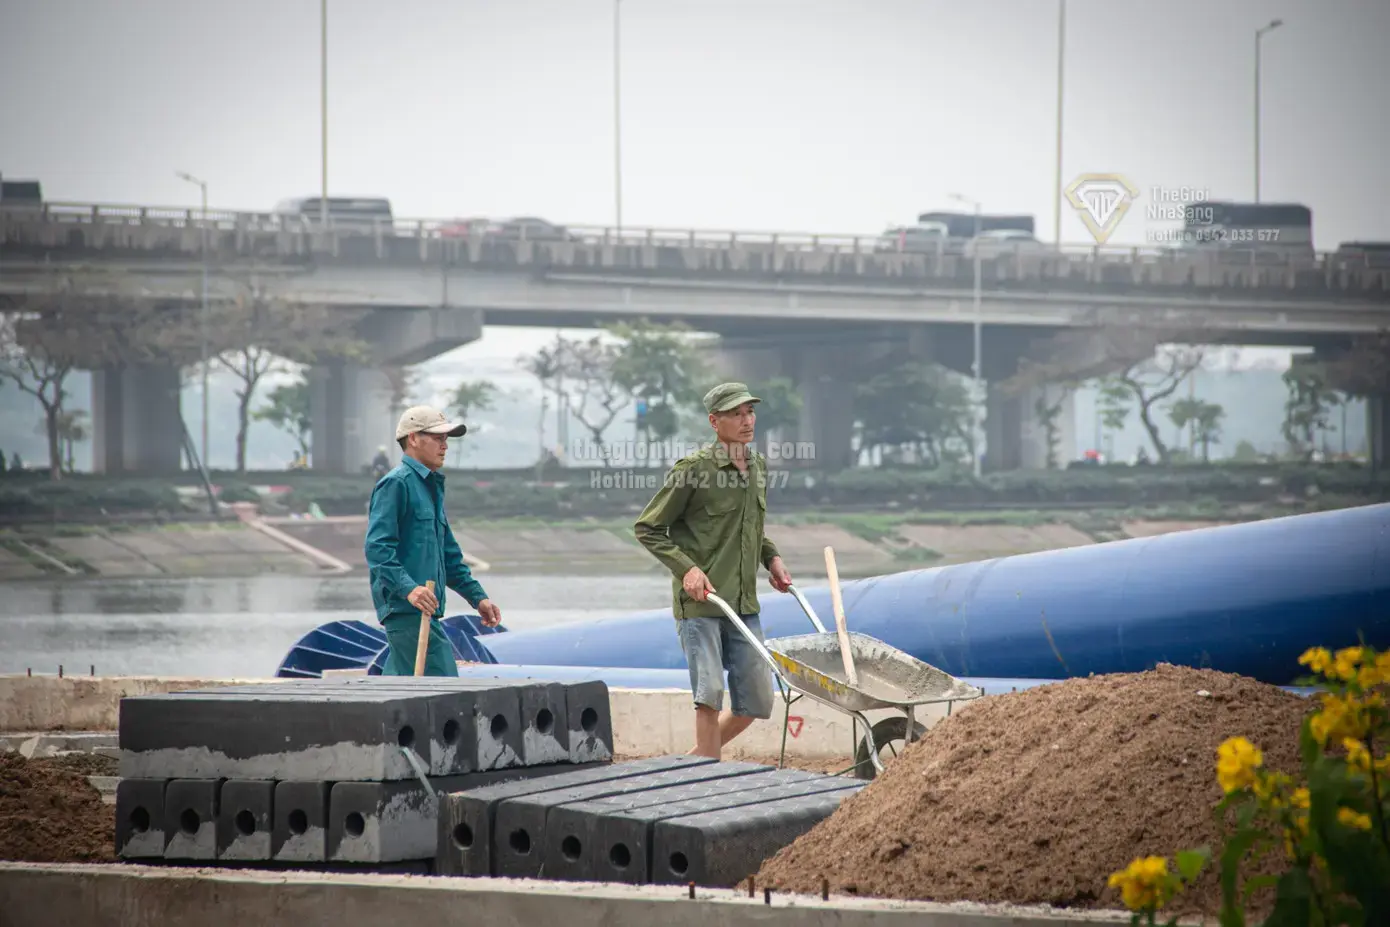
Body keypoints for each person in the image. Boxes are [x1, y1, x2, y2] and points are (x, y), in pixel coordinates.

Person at [633, 382, 794, 759]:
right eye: (736, 414)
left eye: (750, 412)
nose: (746, 420)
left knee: (756, 700)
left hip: (743, 602)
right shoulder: (694, 470)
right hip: (702, 603)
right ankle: (707, 777)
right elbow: (648, 528)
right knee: (708, 696)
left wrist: (771, 558)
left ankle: (693, 763)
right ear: (714, 421)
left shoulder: (757, 467)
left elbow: (752, 528)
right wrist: (686, 569)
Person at [364, 405, 501, 676]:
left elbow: (449, 556)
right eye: (438, 438)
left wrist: (478, 598)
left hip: (426, 613)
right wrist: (410, 590)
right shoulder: (396, 484)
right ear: (413, 439)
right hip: (407, 612)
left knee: (403, 692)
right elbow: (377, 548)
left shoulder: (430, 488)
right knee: (445, 686)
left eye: (446, 439)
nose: (444, 446)